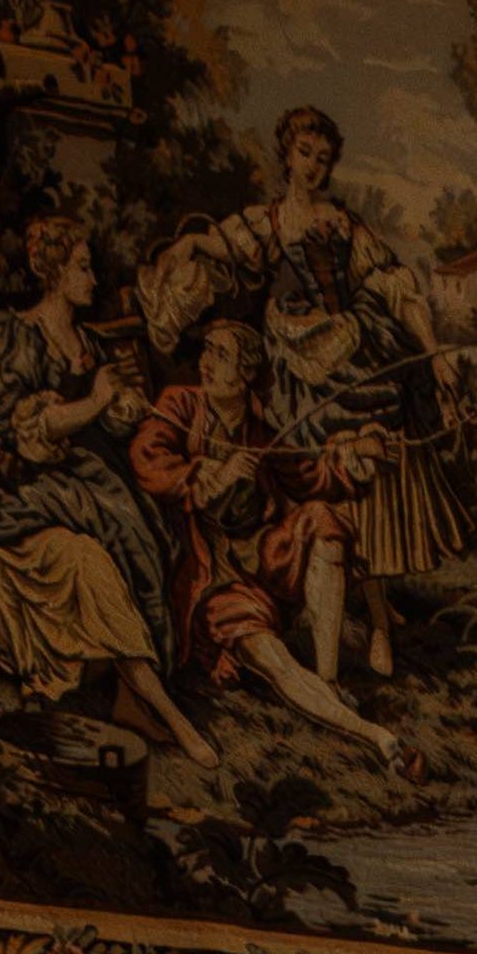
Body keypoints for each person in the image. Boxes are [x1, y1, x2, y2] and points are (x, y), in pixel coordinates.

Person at [0, 210, 212, 766]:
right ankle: (164, 711)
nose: (93, 280)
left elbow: (107, 424)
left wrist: (123, 408)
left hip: (70, 477)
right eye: (83, 269)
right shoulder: (16, 333)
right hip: (16, 482)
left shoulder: (88, 340)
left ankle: (134, 696)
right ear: (55, 272)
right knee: (92, 552)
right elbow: (17, 426)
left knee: (144, 531)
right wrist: (93, 401)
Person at [147, 110, 454, 681]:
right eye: (305, 153)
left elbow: (394, 283)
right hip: (290, 374)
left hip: (349, 366)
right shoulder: (265, 222)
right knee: (305, 493)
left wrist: (434, 354)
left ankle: (382, 623)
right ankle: (309, 616)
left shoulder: (342, 224)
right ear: (286, 155)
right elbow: (217, 248)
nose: (313, 166)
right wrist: (186, 250)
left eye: (323, 158)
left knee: (363, 492)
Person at [129, 316, 406, 759]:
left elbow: (311, 477)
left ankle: (329, 677)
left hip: (267, 557)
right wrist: (210, 476)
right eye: (207, 350)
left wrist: (357, 455)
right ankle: (373, 735)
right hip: (215, 577)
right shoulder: (179, 405)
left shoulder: (261, 426)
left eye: (221, 355)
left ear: (246, 375)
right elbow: (148, 459)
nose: (206, 362)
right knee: (275, 663)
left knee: (323, 522)